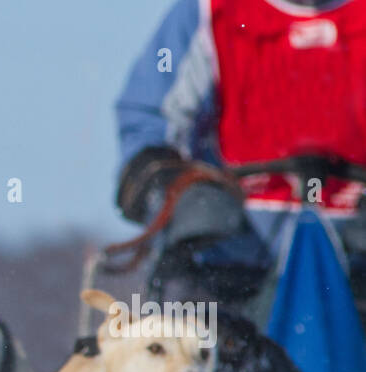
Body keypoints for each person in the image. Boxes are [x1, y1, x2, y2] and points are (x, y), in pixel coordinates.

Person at [113, 0, 366, 321]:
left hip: (355, 251)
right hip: (234, 254)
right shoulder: (211, 13)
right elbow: (151, 121)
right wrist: (175, 188)